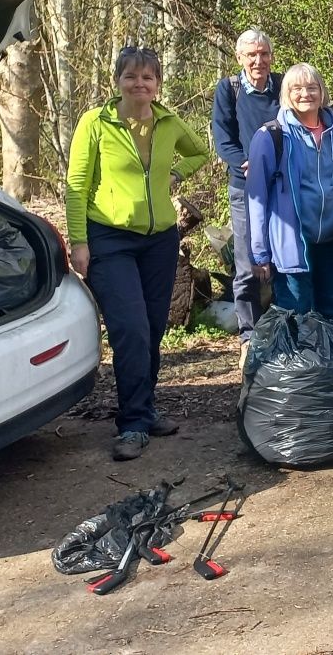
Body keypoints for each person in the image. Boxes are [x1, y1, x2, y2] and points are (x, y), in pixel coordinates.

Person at [65, 45, 210, 461]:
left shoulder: (167, 121)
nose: (140, 83)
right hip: (109, 239)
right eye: (131, 76)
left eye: (148, 77)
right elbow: (76, 185)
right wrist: (79, 242)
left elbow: (200, 151)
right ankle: (131, 425)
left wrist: (177, 174)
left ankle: (144, 410)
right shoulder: (96, 123)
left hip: (160, 241)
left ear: (158, 84)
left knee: (153, 327)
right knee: (130, 328)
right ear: (118, 82)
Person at [245, 64, 333, 322]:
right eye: (297, 88)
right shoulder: (271, 137)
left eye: (311, 87)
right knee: (297, 320)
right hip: (292, 247)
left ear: (322, 92)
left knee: (331, 317)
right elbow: (256, 199)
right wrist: (259, 253)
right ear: (286, 94)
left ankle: (331, 363)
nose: (305, 93)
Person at [209, 28, 281, 349]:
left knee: (283, 256)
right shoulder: (229, 89)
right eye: (251, 55)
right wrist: (246, 164)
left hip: (282, 186)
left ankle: (283, 325)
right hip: (245, 188)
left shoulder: (283, 86)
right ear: (240, 58)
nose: (258, 60)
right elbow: (223, 137)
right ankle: (249, 333)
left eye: (263, 54)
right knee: (247, 260)